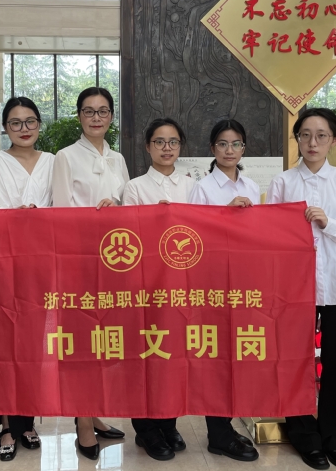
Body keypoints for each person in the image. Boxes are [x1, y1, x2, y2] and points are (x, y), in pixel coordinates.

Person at [266, 108, 336, 471]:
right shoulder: (282, 183)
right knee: (295, 364)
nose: (313, 142)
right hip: (295, 289)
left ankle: (333, 439)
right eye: (305, 135)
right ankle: (304, 437)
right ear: (297, 139)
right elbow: (269, 235)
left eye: (321, 135)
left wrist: (329, 223)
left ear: (333, 141)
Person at [0, 96, 54, 461]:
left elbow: (64, 205)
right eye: (15, 122)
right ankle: (6, 423)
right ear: (5, 127)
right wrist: (12, 213)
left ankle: (28, 420)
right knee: (5, 342)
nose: (24, 128)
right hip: (3, 261)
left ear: (39, 124)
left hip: (41, 262)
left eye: (30, 121)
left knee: (34, 344)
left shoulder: (53, 162)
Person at [51, 87, 128, 460]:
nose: (96, 118)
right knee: (81, 342)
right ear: (79, 116)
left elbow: (128, 206)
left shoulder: (118, 159)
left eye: (103, 111)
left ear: (111, 116)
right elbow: (61, 213)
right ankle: (82, 421)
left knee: (105, 341)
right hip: (80, 263)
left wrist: (118, 207)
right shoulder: (65, 157)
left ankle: (95, 411)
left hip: (114, 264)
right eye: (88, 111)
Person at [123, 118, 195, 461]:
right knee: (145, 354)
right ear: (147, 146)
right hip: (146, 285)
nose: (167, 148)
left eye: (173, 142)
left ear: (181, 146)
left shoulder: (192, 186)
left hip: (181, 284)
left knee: (173, 354)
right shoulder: (134, 187)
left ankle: (168, 422)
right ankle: (146, 428)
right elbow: (130, 235)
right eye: (160, 142)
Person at [188, 119, 260, 462]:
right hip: (212, 283)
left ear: (244, 148)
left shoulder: (253, 186)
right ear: (212, 149)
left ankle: (226, 426)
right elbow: (191, 235)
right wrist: (224, 216)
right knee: (215, 358)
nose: (229, 150)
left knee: (237, 356)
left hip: (244, 282)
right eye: (222, 144)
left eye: (236, 144)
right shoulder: (202, 188)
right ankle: (216, 433)